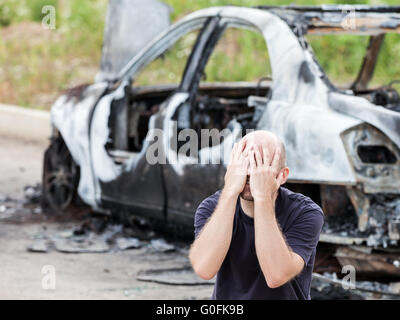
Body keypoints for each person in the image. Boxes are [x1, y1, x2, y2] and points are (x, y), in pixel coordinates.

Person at [189, 130, 324, 299]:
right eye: (245, 164)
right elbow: (204, 268)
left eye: (261, 166)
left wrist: (262, 198)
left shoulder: (304, 212)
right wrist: (230, 192)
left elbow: (276, 275)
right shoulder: (211, 208)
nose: (250, 174)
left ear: (282, 176)